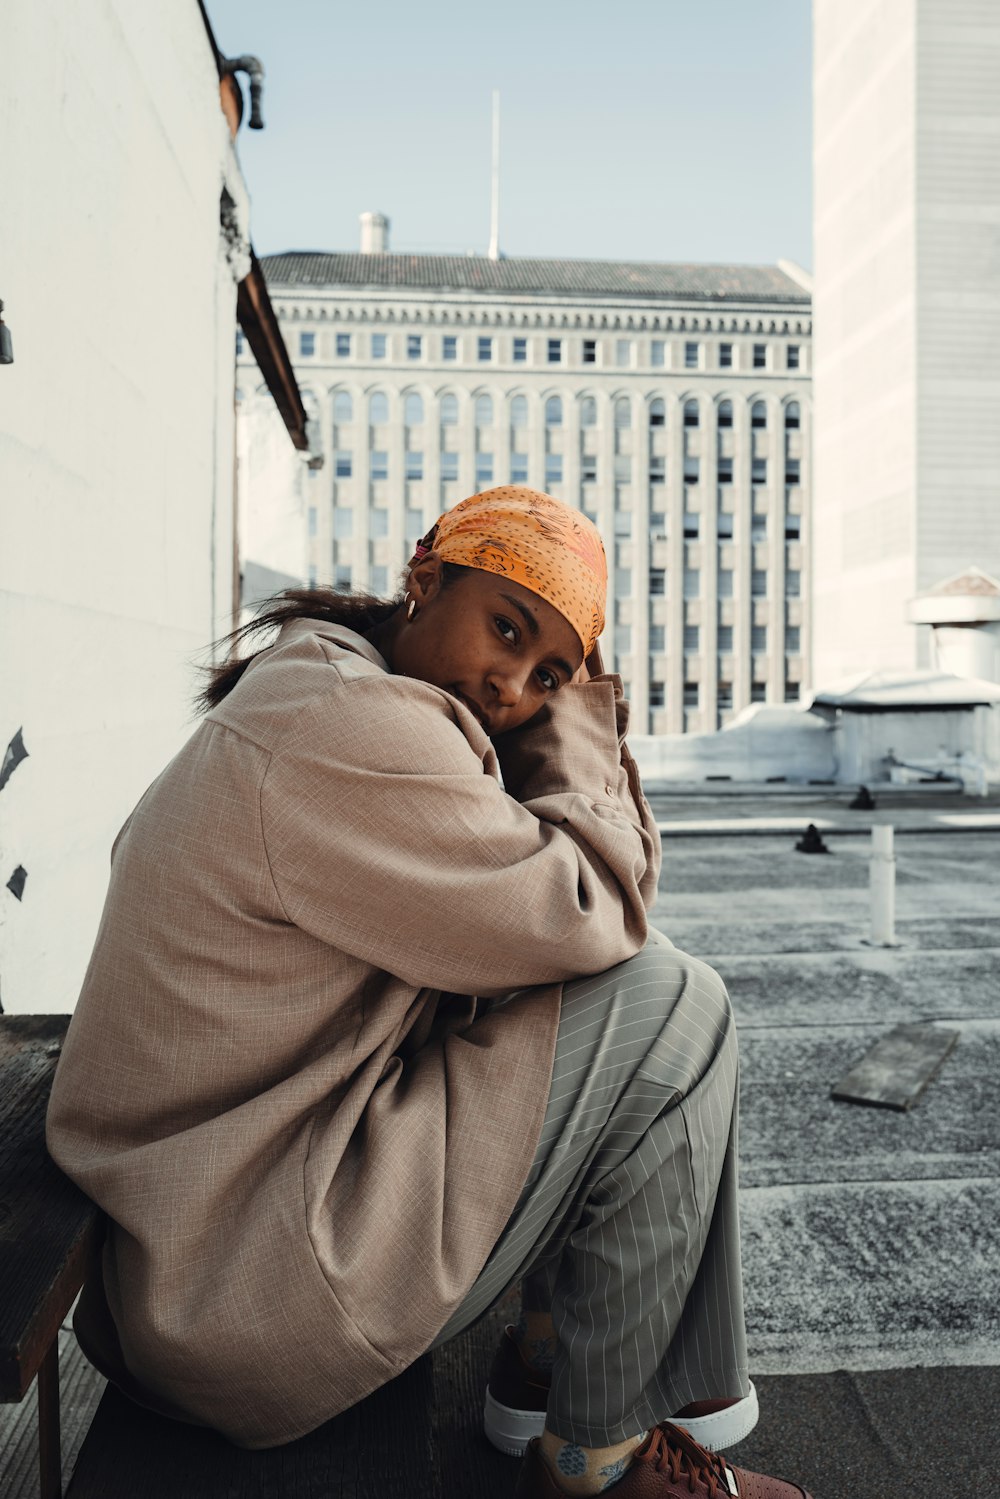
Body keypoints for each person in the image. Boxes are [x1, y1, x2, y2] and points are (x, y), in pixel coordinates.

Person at [47, 486, 811, 1498]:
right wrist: (579, 721)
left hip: (196, 1247)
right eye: (505, 627)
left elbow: (561, 945)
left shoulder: (323, 684)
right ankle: (596, 1461)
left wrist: (555, 709)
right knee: (677, 1005)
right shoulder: (350, 725)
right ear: (423, 578)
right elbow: (596, 901)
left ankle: (548, 1370)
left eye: (548, 671)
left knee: (590, 999)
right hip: (239, 1289)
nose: (512, 683)